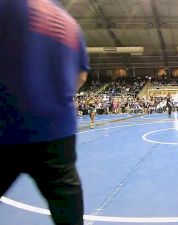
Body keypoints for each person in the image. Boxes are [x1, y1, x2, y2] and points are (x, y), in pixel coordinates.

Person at [0, 0, 89, 225]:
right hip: (59, 130)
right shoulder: (69, 22)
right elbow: (81, 77)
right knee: (67, 210)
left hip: (8, 120)